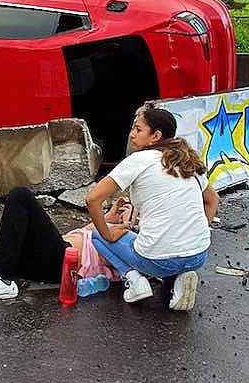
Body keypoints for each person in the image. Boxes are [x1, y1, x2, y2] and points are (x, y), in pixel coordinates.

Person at [86, 105, 219, 310]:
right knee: (164, 248)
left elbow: (93, 199)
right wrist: (197, 231)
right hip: (198, 255)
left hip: (158, 260)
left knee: (96, 235)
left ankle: (135, 280)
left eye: (138, 130)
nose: (132, 135)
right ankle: (178, 279)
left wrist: (109, 234)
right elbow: (213, 200)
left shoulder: (139, 159)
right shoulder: (188, 160)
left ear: (156, 135)